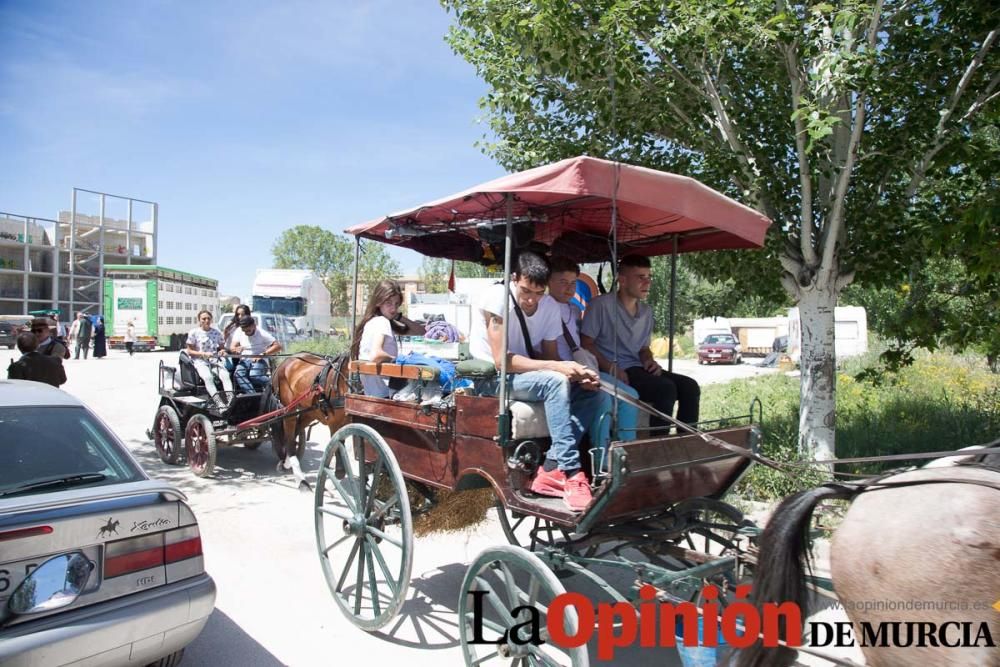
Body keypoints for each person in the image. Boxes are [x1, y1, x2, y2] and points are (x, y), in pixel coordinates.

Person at [470, 251, 604, 511]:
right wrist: (558, 367)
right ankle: (571, 470)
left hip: (525, 378)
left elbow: (550, 357)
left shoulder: (550, 307)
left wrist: (575, 373)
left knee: (592, 392)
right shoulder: (496, 299)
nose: (531, 300)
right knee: (554, 381)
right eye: (525, 291)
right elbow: (501, 361)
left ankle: (551, 466)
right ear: (514, 279)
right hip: (492, 381)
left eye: (538, 293)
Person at [581, 254, 700, 431]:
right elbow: (586, 343)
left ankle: (687, 443)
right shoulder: (601, 305)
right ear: (622, 280)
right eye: (640, 277)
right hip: (614, 370)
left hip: (639, 368)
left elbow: (644, 348)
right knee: (665, 389)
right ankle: (657, 446)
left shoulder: (646, 311)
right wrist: (610, 368)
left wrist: (649, 361)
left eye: (649, 277)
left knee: (690, 386)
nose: (647, 282)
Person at [546, 256, 639, 465]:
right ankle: (601, 465)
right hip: (562, 372)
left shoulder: (574, 309)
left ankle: (626, 458)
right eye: (563, 282)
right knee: (602, 398)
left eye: (573, 283)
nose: (569, 289)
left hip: (581, 368)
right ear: (548, 282)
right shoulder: (543, 307)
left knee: (630, 396)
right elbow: (543, 351)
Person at [352, 280, 425, 398]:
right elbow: (377, 355)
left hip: (373, 392)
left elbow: (421, 332)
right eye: (389, 303)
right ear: (378, 302)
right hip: (385, 393)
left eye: (397, 304)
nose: (393, 308)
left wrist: (398, 316)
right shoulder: (382, 322)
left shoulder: (373, 322)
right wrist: (399, 360)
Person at [186, 310, 233, 410]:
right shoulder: (194, 333)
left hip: (214, 360)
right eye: (204, 319)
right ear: (199, 320)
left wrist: (222, 352)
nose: (206, 320)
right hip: (200, 361)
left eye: (208, 318)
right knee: (208, 377)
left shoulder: (216, 332)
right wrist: (203, 354)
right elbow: (189, 351)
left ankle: (230, 401)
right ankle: (219, 403)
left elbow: (221, 347)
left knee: (225, 375)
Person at [229, 315, 282, 393]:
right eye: (244, 331)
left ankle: (276, 383)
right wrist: (236, 349)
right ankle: (253, 396)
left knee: (254, 375)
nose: (246, 333)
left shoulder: (262, 333)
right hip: (244, 359)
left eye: (248, 330)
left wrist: (263, 354)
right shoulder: (239, 331)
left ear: (253, 325)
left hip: (259, 359)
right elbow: (232, 347)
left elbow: (278, 346)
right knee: (238, 374)